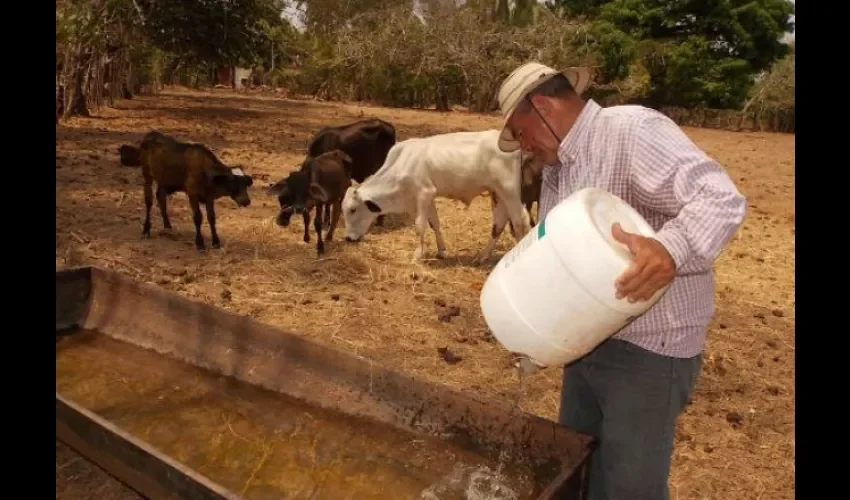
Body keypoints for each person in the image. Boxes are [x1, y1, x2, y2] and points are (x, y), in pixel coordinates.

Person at [495, 62, 748, 500]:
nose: (524, 148)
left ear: (542, 106)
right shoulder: (559, 169)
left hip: (649, 349)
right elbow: (565, 264)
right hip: (588, 343)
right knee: (577, 469)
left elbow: (720, 198)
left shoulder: (629, 131)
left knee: (631, 488)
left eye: (521, 134)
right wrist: (541, 329)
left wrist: (671, 249)